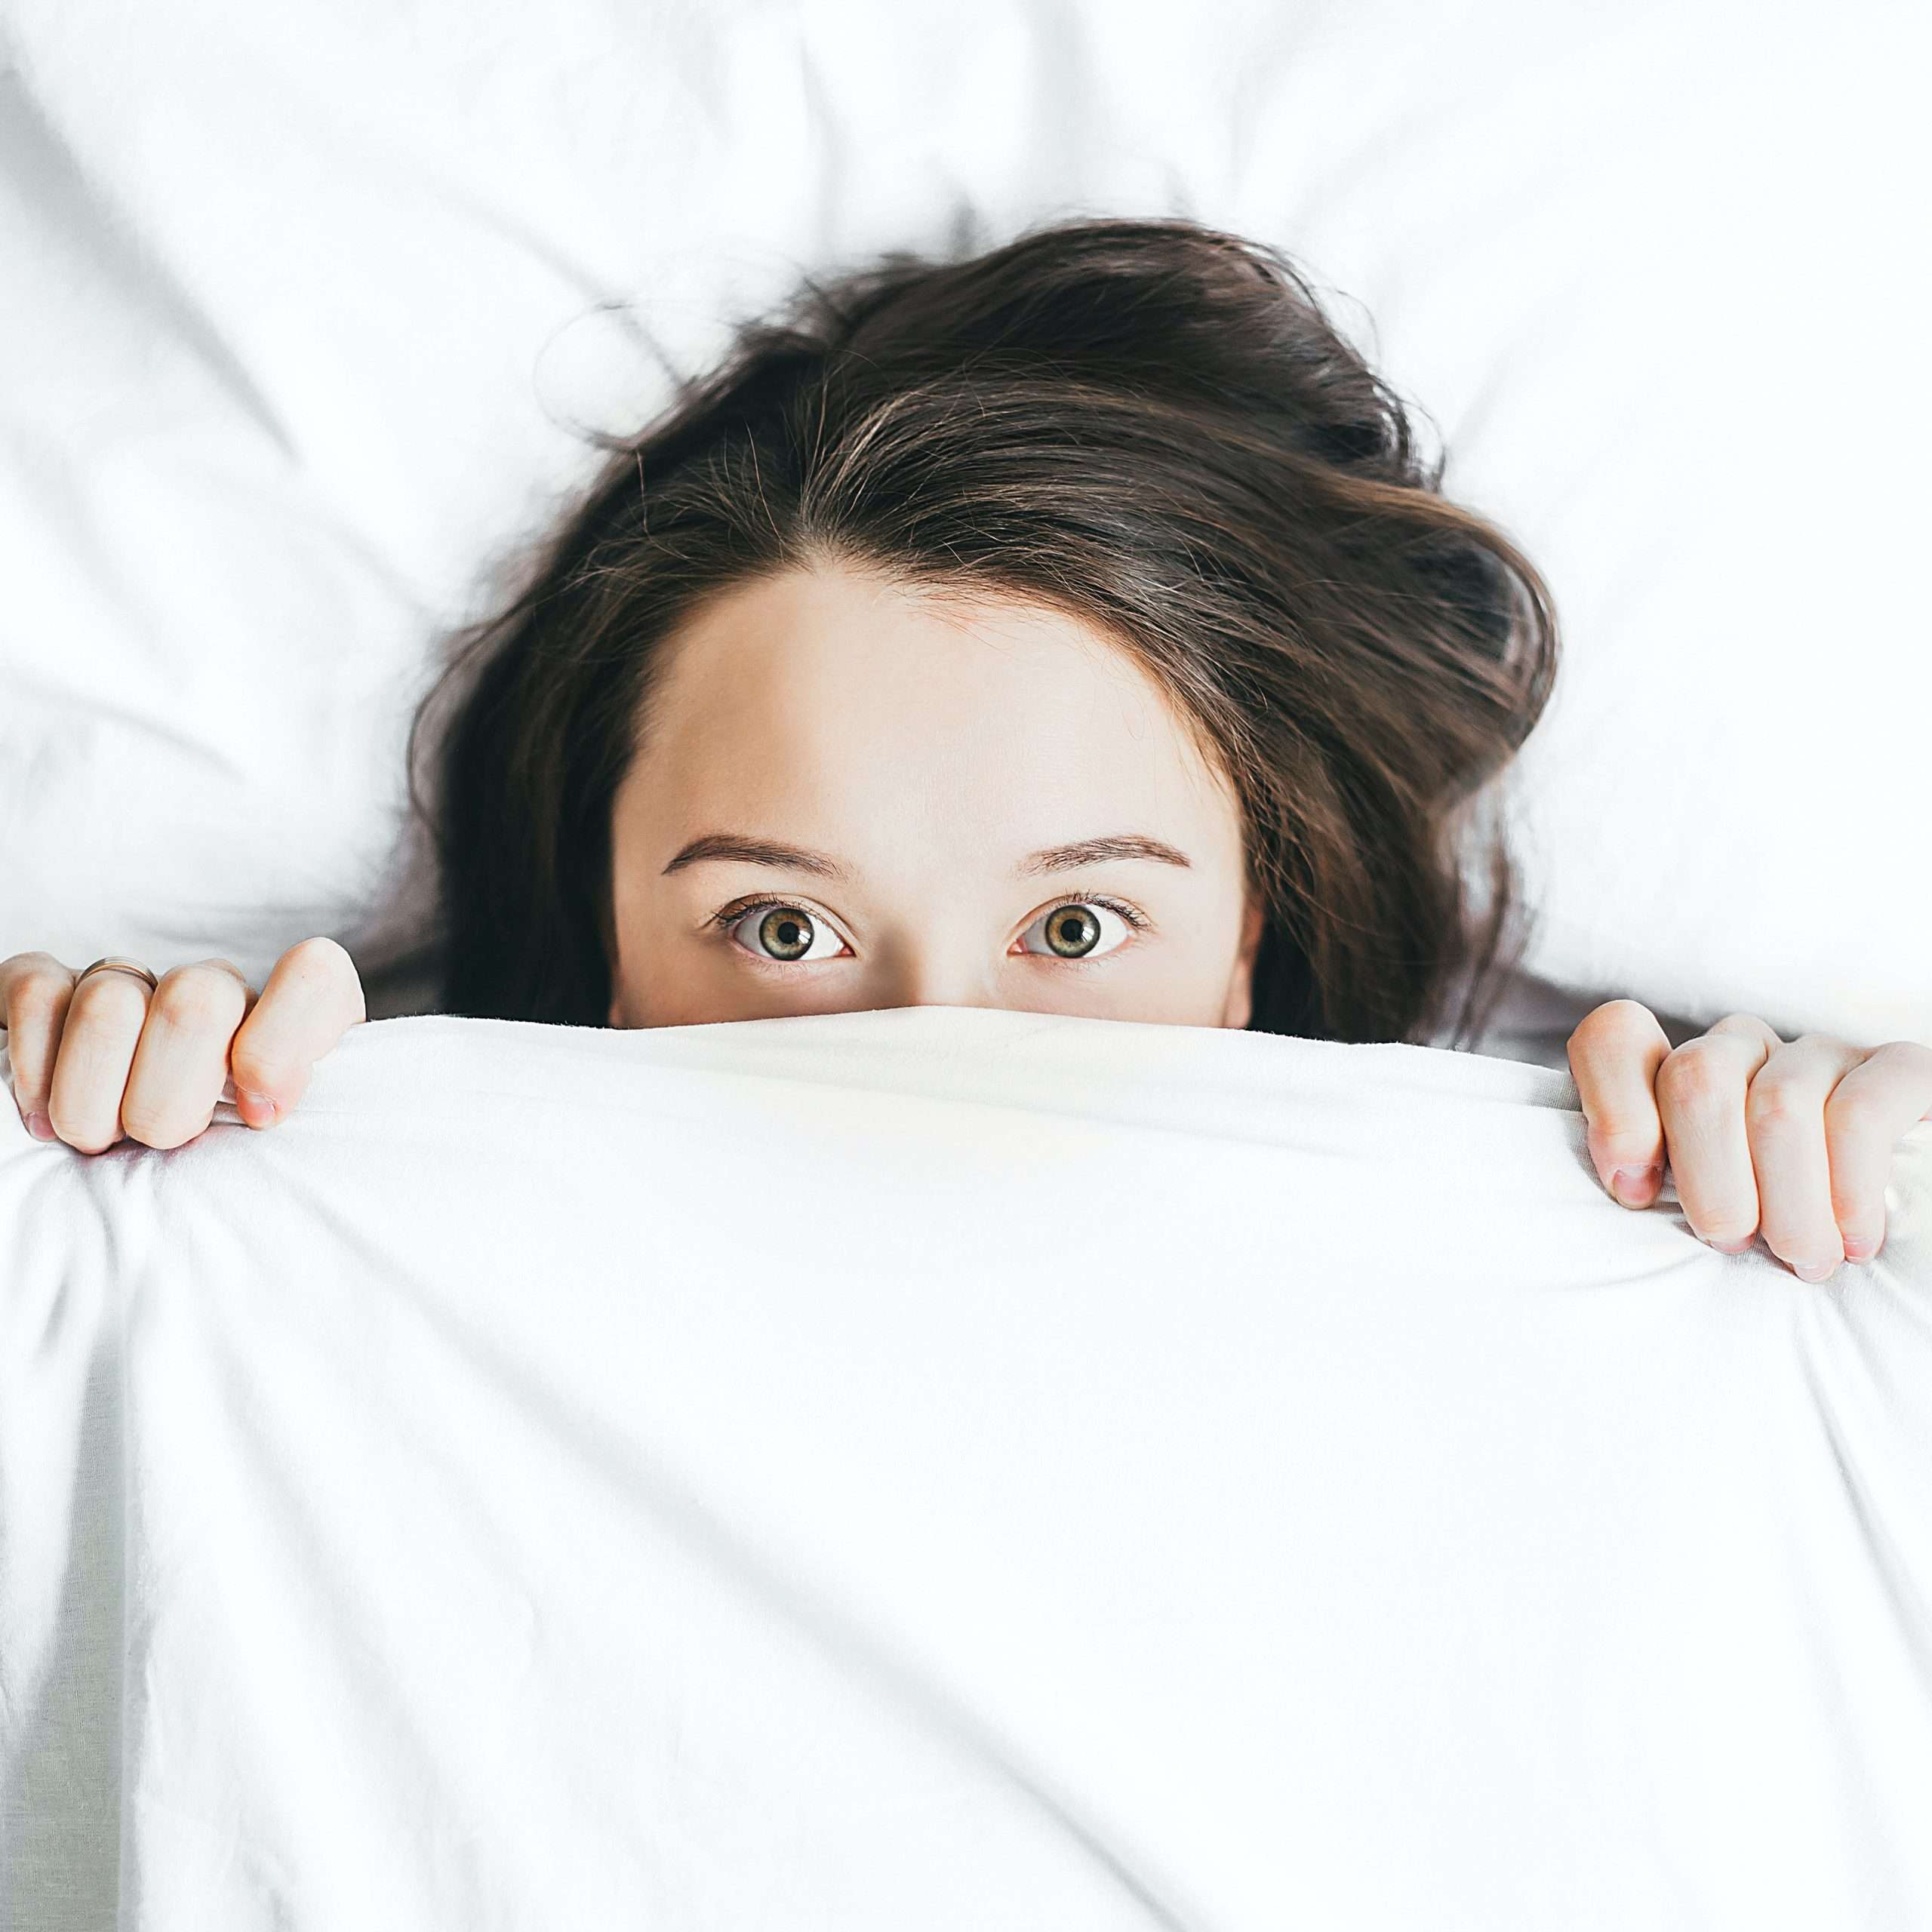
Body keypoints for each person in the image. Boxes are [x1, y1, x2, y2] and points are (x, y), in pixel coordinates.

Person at [3, 217, 1924, 1281]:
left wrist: (1857, 1175)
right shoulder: (331, 1235)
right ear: (596, 932)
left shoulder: (1577, 1247)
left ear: (1257, 936)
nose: (934, 1057)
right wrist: (79, 1123)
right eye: (778, 926)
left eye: (1076, 930)